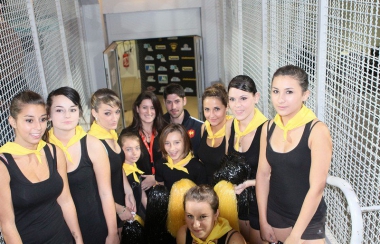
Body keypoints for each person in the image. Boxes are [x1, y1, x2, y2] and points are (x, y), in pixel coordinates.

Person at [256, 65, 332, 244]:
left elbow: (317, 187)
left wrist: (296, 235)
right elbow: (263, 174)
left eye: (289, 92)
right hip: (276, 215)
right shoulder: (268, 128)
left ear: (305, 94)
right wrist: (263, 220)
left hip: (309, 220)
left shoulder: (317, 131)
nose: (280, 99)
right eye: (276, 91)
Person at [0, 90, 83, 243]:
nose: (38, 127)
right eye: (29, 120)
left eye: (42, 119)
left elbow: (66, 201)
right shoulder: (3, 165)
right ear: (12, 121)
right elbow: (7, 226)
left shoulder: (54, 152)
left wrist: (78, 240)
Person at [46, 87, 119, 244]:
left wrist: (113, 233)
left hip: (94, 225)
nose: (67, 115)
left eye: (72, 109)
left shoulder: (92, 145)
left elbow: (106, 193)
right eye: (59, 110)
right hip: (58, 231)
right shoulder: (42, 150)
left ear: (79, 113)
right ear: (48, 115)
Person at [225, 75, 267, 243]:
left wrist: (249, 183)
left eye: (243, 98)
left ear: (256, 98)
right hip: (235, 203)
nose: (237, 105)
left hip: (260, 203)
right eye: (232, 99)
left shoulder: (266, 129)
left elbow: (276, 176)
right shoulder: (230, 125)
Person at [88, 88, 136, 233]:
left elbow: (117, 166)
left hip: (117, 200)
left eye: (117, 112)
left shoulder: (111, 134)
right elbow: (94, 187)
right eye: (107, 113)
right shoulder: (94, 142)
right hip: (105, 207)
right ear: (94, 113)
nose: (114, 118)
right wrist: (118, 208)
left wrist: (128, 192)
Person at [120, 91, 167, 194]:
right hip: (139, 189)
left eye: (153, 107)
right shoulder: (127, 134)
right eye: (144, 107)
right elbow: (122, 165)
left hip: (164, 186)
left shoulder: (166, 131)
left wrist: (155, 178)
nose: (149, 112)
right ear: (137, 109)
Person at [176, 185, 246, 244]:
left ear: (216, 214)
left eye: (202, 217)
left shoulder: (234, 241)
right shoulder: (184, 234)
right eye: (190, 216)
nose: (195, 225)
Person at [155, 123, 207, 192]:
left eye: (176, 142)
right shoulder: (161, 165)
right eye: (167, 143)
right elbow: (160, 190)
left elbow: (203, 196)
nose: (172, 148)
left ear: (185, 142)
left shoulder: (198, 168)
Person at [197, 83, 232, 184]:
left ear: (227, 107)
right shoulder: (204, 128)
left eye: (216, 109)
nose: (211, 115)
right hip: (206, 190)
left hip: (226, 192)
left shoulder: (233, 129)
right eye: (207, 109)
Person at [163, 83, 203, 157]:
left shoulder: (199, 127)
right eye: (169, 102)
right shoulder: (158, 126)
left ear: (184, 101)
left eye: (177, 101)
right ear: (164, 103)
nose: (173, 107)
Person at [119, 132, 147, 217]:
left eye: (137, 148)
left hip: (139, 212)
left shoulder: (135, 168)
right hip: (129, 215)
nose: (134, 153)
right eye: (129, 149)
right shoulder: (122, 173)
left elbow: (140, 192)